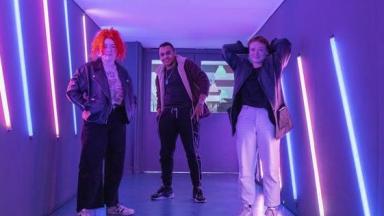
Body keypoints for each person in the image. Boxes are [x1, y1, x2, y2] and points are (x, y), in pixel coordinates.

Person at [66, 28, 136, 216]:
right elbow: (72, 91)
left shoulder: (123, 72)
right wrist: (86, 107)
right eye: (105, 45)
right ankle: (85, 208)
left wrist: (130, 110)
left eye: (113, 46)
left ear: (118, 48)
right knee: (91, 164)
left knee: (116, 164)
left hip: (118, 120)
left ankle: (113, 206)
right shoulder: (88, 69)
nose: (109, 49)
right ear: (99, 47)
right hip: (96, 121)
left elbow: (131, 96)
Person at [222, 36, 292, 216]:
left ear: (267, 51)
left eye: (260, 50)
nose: (256, 53)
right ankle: (247, 206)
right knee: (245, 164)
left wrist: (269, 47)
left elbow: (285, 45)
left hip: (267, 116)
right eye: (253, 50)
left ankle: (272, 207)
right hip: (245, 115)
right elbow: (226, 50)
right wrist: (245, 49)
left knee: (271, 164)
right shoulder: (242, 66)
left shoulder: (273, 65)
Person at [150, 42, 210, 203]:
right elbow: (159, 94)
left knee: (191, 152)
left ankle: (197, 188)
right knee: (165, 153)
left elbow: (204, 79)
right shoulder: (160, 72)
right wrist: (159, 111)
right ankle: (167, 188)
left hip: (187, 113)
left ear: (174, 53)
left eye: (168, 53)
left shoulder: (186, 64)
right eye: (162, 54)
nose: (165, 57)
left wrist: (200, 103)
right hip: (167, 115)